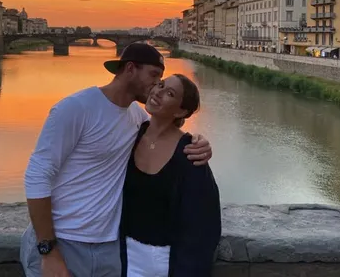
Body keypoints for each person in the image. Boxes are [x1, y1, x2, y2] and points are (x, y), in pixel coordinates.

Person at [20, 43, 213, 277]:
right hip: (63, 241)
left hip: (108, 250)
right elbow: (37, 175)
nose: (156, 86)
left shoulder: (138, 118)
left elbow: (166, 132)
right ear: (130, 69)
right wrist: (48, 250)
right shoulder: (75, 108)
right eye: (154, 76)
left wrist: (198, 142)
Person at [120, 74, 221, 277]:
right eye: (160, 85)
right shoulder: (131, 134)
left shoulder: (190, 154)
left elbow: (203, 224)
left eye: (170, 93)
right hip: (121, 256)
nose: (158, 92)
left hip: (164, 263)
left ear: (181, 111)